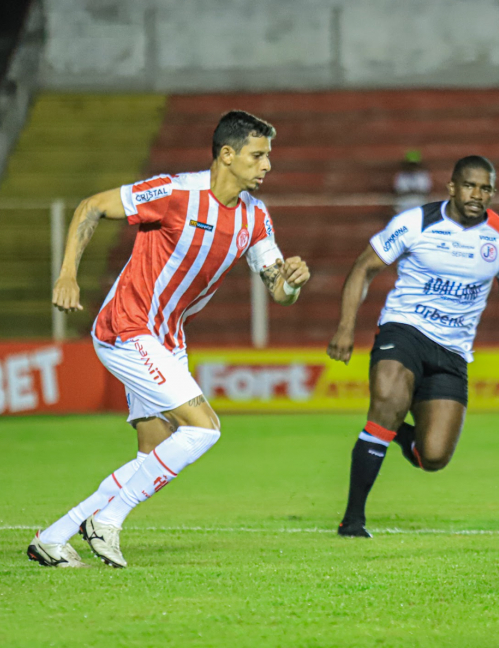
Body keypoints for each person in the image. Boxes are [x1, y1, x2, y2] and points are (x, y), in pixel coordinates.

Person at [27, 110, 311, 568]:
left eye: (268, 157)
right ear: (227, 154)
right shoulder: (176, 193)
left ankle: (56, 537)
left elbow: (278, 290)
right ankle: (108, 520)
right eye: (258, 156)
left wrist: (294, 280)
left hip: (165, 337)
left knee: (155, 454)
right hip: (126, 326)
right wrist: (67, 275)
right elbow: (92, 206)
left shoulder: (255, 219)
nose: (267, 166)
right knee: (205, 428)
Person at [327, 155, 499, 537]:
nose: (478, 194)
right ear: (451, 187)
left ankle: (393, 433)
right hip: (404, 331)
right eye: (470, 185)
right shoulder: (415, 222)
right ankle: (352, 519)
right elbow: (363, 268)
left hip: (453, 352)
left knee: (433, 457)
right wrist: (345, 327)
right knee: (387, 403)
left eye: (485, 188)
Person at [392, 149, 433, 215]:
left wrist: (410, 192)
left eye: (414, 164)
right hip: (404, 204)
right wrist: (415, 191)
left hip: (420, 203)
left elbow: (426, 191)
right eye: (410, 164)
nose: (412, 166)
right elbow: (398, 192)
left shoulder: (423, 175)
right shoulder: (401, 175)